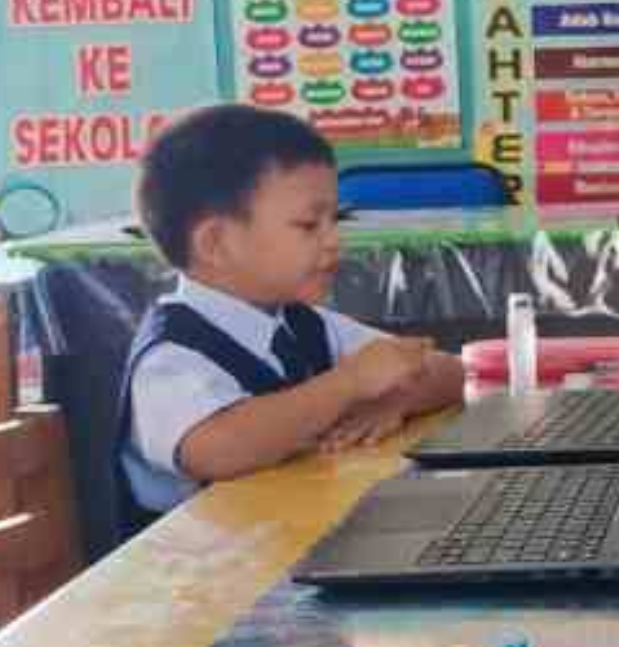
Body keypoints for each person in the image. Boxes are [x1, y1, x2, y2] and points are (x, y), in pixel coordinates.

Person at [117, 104, 460, 523]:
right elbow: (221, 447)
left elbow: (447, 370)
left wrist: (396, 400)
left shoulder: (303, 323)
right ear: (215, 243)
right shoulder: (168, 358)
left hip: (294, 542)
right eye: (309, 225)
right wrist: (349, 384)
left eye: (336, 220)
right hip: (198, 562)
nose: (334, 241)